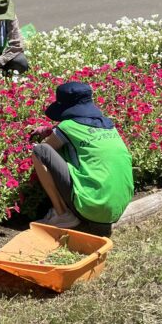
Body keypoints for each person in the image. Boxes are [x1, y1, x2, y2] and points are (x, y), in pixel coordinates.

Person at [30, 81, 133, 236]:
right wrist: (51, 130)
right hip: (117, 206)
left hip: (91, 206)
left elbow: (47, 148)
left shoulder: (67, 127)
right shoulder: (108, 124)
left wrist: (49, 134)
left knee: (40, 151)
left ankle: (62, 215)